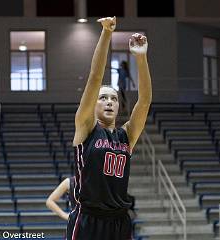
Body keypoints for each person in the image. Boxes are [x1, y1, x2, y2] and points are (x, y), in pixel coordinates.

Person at [66, 16, 152, 240]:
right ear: (93, 104)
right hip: (87, 219)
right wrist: (106, 33)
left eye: (113, 98)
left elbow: (144, 102)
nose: (109, 101)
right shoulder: (86, 127)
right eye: (103, 98)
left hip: (119, 221)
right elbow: (95, 78)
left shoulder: (126, 135)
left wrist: (141, 59)